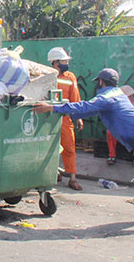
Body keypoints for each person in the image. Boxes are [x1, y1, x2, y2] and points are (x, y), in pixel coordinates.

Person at [33, 68, 134, 233]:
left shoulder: (107, 97)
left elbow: (85, 106)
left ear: (101, 82)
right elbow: (89, 109)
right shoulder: (116, 95)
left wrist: (52, 108)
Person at [47, 47, 83, 191]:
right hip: (49, 118)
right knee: (51, 148)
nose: (66, 63)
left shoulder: (70, 77)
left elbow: (75, 97)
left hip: (65, 118)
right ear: (55, 62)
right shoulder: (47, 76)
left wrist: (78, 117)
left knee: (69, 147)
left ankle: (72, 178)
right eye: (63, 60)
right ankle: (54, 173)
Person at [106, 85, 134, 166]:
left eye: (133, 96)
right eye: (129, 96)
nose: (132, 98)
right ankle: (112, 156)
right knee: (109, 132)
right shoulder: (117, 107)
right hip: (121, 129)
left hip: (133, 129)